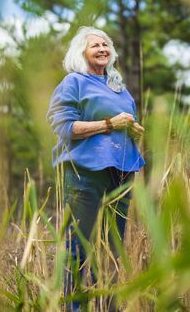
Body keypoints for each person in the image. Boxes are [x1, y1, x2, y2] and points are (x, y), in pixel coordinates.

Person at [47, 26, 145, 310]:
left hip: (122, 172)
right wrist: (109, 124)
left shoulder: (119, 87)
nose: (103, 49)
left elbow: (125, 122)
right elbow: (63, 127)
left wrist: (133, 130)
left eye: (106, 45)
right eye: (95, 45)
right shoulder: (74, 82)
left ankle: (107, 306)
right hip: (85, 172)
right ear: (82, 53)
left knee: (113, 247)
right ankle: (74, 307)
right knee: (79, 244)